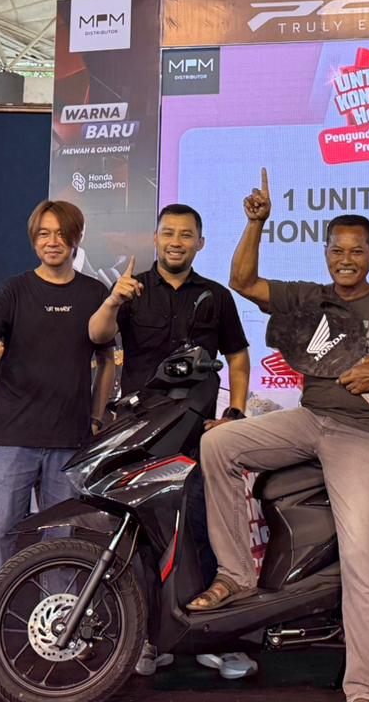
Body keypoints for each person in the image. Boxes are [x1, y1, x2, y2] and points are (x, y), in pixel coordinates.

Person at [193, 170, 369, 702]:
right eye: (337, 250)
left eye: (356, 251)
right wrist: (255, 223)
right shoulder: (308, 297)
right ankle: (237, 574)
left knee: (361, 554)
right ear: (326, 253)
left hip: (363, 433)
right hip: (309, 419)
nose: (345, 259)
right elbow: (243, 281)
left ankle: (365, 687)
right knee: (218, 444)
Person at [91, 203, 256, 680]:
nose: (176, 242)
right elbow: (98, 335)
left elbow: (238, 358)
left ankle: (214, 638)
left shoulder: (216, 295)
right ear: (156, 238)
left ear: (200, 243)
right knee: (143, 535)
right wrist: (113, 301)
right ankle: (147, 638)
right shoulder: (132, 289)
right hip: (140, 433)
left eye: (186, 235)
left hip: (197, 433)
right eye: (168, 233)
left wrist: (235, 414)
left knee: (204, 526)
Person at [0, 200, 112, 676]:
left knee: (61, 541)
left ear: (76, 239)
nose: (52, 241)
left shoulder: (94, 292)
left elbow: (106, 359)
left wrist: (97, 418)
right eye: (43, 233)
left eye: (61, 233)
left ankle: (63, 632)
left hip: (70, 440)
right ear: (33, 239)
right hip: (11, 438)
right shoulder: (14, 290)